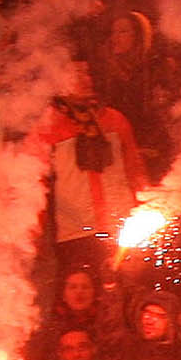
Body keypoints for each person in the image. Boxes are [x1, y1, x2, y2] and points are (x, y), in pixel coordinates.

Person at [33, 70, 147, 258]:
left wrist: (145, 205)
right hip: (75, 233)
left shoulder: (114, 120)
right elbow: (36, 188)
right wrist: (33, 236)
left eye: (87, 74)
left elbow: (135, 170)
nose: (87, 80)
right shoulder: (48, 127)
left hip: (121, 227)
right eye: (78, 75)